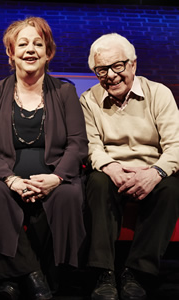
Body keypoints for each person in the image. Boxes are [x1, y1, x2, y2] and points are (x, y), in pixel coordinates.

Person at [0, 16, 88, 300]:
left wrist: (57, 177)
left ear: (49, 52)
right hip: (5, 175)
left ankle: (21, 280)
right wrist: (10, 179)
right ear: (11, 53)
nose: (30, 49)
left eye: (38, 43)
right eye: (22, 44)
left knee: (68, 195)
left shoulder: (65, 91)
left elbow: (77, 143)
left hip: (54, 174)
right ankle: (32, 277)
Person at [80, 33, 179, 300]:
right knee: (96, 182)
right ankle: (104, 273)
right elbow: (90, 146)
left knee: (172, 188)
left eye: (117, 66)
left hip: (151, 169)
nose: (110, 75)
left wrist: (155, 173)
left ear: (133, 64)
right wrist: (110, 167)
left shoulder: (159, 93)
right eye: (101, 69)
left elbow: (176, 145)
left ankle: (137, 273)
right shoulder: (88, 100)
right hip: (111, 171)